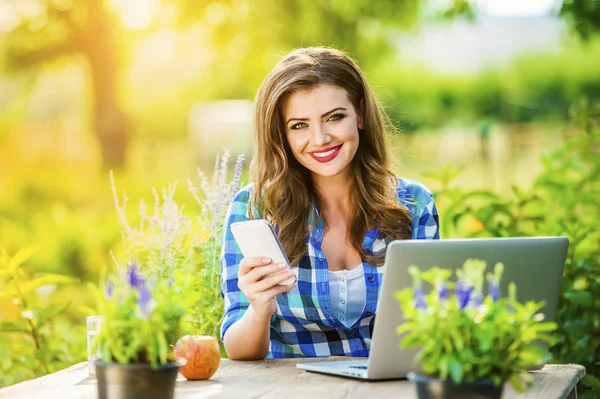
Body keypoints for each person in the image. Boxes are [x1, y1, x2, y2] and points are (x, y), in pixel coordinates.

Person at [220, 47, 440, 360]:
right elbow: (239, 351)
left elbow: (429, 328)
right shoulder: (253, 208)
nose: (321, 138)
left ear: (360, 114)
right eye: (299, 125)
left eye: (334, 117)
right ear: (281, 134)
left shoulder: (413, 204)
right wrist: (259, 311)